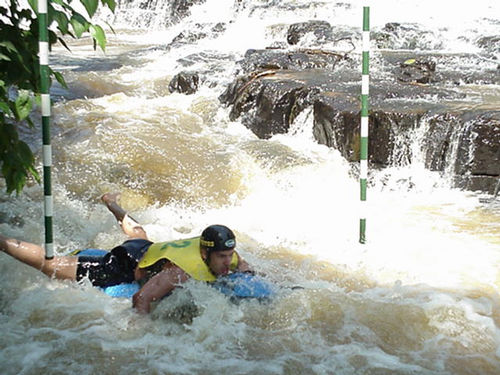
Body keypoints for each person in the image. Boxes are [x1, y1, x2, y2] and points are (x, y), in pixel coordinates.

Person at [0, 193, 253, 314]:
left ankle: (112, 203)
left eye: (228, 255)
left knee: (139, 234)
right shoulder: (179, 272)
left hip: (147, 249)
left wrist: (248, 272)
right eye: (221, 257)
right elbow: (141, 299)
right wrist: (140, 333)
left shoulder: (224, 252)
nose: (226, 261)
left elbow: (242, 266)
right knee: (52, 265)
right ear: (204, 254)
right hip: (123, 263)